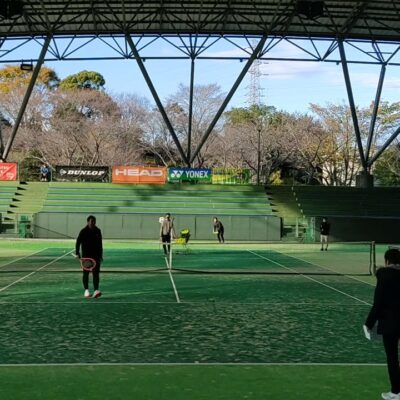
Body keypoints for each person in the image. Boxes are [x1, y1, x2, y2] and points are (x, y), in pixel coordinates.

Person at [365, 248, 400, 400]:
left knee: (392, 358)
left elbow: (378, 302)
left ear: (386, 261)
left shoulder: (384, 276)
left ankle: (396, 392)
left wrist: (369, 323)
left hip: (389, 323)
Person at [75, 215, 103, 298]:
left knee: (96, 274)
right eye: (91, 222)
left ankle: (96, 290)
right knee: (86, 274)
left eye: (94, 222)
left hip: (96, 256)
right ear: (88, 222)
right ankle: (86, 291)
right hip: (86, 257)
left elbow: (100, 244)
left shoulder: (98, 231)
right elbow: (78, 242)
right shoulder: (83, 231)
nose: (93, 223)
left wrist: (100, 255)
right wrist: (77, 253)